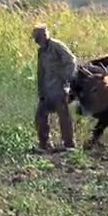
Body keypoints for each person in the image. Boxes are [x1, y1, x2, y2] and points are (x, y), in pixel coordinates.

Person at [33, 24, 77, 152]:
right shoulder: (41, 51)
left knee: (64, 116)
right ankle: (44, 144)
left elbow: (71, 61)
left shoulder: (56, 46)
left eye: (39, 37)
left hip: (58, 88)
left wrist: (65, 77)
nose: (38, 41)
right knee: (40, 116)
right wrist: (40, 91)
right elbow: (41, 72)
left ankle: (69, 144)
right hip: (47, 90)